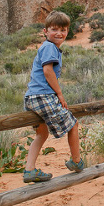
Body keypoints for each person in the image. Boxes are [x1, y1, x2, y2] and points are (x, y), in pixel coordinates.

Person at [23, 10, 83, 183]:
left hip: (31, 98)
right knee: (73, 124)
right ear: (45, 31)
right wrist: (59, 94)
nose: (59, 33)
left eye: (63, 30)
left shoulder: (49, 47)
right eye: (55, 29)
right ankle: (76, 161)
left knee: (41, 134)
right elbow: (48, 71)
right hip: (43, 96)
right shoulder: (50, 47)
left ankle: (29, 170)